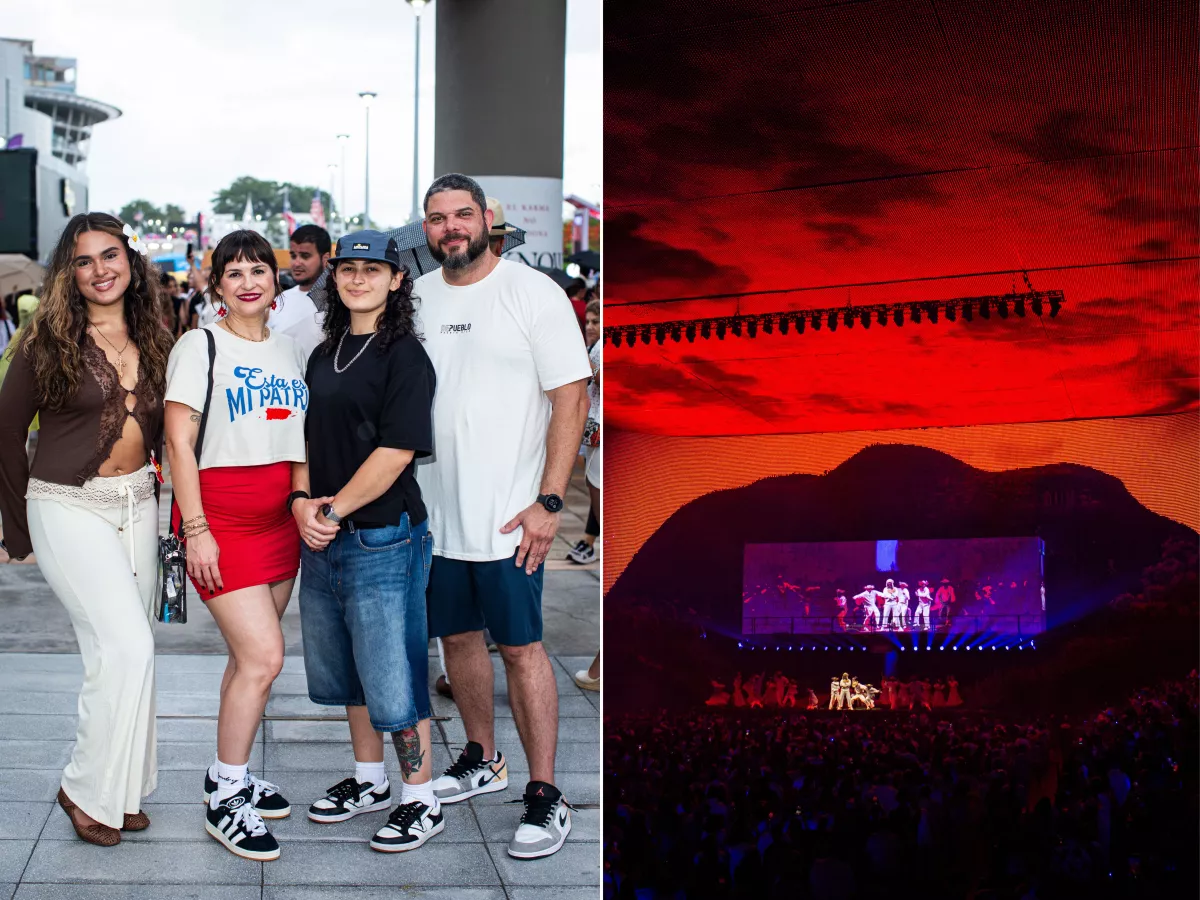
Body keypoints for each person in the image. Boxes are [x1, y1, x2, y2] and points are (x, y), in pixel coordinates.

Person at [415, 173, 590, 860]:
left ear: (489, 219)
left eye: (463, 214)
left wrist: (550, 502)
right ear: (425, 229)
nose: (451, 227)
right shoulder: (416, 299)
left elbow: (570, 400)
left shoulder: (532, 293)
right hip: (434, 517)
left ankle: (546, 793)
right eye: (438, 218)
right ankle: (483, 758)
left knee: (521, 650)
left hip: (511, 518)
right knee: (456, 642)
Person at [0, 212, 175, 845]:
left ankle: (120, 786)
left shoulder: (155, 333)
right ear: (68, 273)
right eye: (83, 261)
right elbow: (5, 430)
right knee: (127, 646)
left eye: (110, 256)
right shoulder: (45, 337)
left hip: (137, 505)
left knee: (123, 652)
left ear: (131, 261)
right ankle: (82, 786)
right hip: (66, 504)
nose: (100, 270)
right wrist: (17, 529)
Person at [293, 230, 444, 853]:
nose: (358, 280)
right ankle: (368, 780)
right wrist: (302, 503)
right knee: (353, 669)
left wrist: (330, 508)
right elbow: (299, 440)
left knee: (394, 671)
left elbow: (396, 451)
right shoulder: (323, 355)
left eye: (371, 270)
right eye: (348, 270)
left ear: (396, 280)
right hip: (325, 533)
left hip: (383, 534)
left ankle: (420, 797)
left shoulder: (406, 356)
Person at [164, 229, 309, 861]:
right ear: (216, 284)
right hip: (219, 522)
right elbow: (177, 442)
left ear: (274, 282)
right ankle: (227, 797)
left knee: (246, 660)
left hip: (278, 524)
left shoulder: (289, 351)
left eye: (259, 269)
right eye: (234, 272)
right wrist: (195, 530)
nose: (248, 280)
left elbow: (298, 440)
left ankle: (231, 770)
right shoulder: (199, 345)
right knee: (265, 657)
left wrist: (303, 503)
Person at [568, 298, 601, 566]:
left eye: (595, 322)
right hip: (592, 427)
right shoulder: (594, 345)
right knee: (592, 484)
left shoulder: (604, 345)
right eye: (588, 321)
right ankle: (592, 540)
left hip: (602, 429)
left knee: (598, 486)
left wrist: (589, 368)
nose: (590, 326)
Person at [270, 223, 329, 357]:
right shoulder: (280, 300)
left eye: (305, 256)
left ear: (325, 259)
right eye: (293, 255)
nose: (297, 263)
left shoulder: (338, 300)